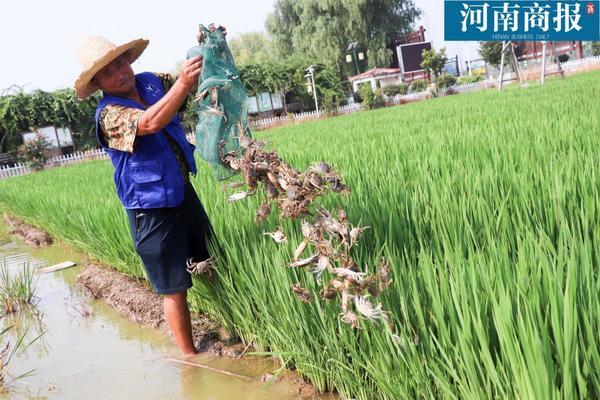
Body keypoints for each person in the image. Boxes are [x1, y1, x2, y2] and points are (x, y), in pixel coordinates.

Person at [74, 30, 221, 356]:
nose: (120, 73)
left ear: (129, 60)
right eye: (108, 72)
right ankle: (190, 358)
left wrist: (206, 57)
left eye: (121, 63)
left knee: (211, 261)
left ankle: (228, 315)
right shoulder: (109, 114)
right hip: (150, 207)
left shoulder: (151, 81)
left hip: (183, 190)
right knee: (175, 288)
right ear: (97, 83)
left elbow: (191, 82)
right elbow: (150, 123)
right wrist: (182, 84)